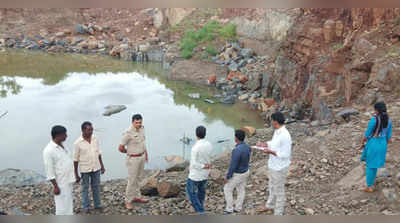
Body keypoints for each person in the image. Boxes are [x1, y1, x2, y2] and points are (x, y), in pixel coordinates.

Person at [257, 112, 292, 215]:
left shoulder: (285, 135)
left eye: (271, 120)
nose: (270, 122)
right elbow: (274, 143)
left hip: (280, 168)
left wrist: (270, 151)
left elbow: (285, 154)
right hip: (273, 165)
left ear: (275, 121)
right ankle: (270, 205)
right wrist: (265, 144)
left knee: (279, 191)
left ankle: (278, 213)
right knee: (272, 186)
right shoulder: (277, 132)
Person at [73, 121, 106, 214]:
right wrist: (76, 174)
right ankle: (86, 207)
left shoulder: (95, 139)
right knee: (85, 188)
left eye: (91, 129)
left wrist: (102, 166)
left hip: (96, 167)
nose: (91, 131)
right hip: (85, 169)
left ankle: (98, 205)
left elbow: (98, 153)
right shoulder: (77, 143)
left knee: (96, 187)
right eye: (89, 130)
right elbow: (75, 160)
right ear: (83, 130)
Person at [119, 114, 149, 210]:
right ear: (132, 122)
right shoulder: (128, 133)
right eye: (136, 123)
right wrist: (129, 153)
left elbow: (143, 142)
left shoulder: (142, 129)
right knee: (132, 180)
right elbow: (120, 148)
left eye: (140, 122)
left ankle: (137, 196)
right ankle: (128, 200)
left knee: (139, 178)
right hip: (133, 159)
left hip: (142, 156)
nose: (139, 124)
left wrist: (146, 154)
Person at [43, 125, 75, 215]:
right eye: (64, 134)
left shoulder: (63, 147)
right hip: (60, 183)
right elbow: (49, 170)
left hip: (68, 180)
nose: (66, 136)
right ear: (58, 135)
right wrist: (55, 186)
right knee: (61, 208)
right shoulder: (49, 150)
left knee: (68, 205)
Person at [360, 102, 392, 192]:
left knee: (370, 165)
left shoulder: (374, 120)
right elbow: (389, 137)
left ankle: (369, 186)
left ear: (377, 110)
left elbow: (367, 134)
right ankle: (371, 183)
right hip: (383, 144)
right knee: (374, 165)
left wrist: (362, 143)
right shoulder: (389, 120)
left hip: (373, 143)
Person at [223, 129, 251, 214]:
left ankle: (229, 209)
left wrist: (228, 176)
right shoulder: (247, 147)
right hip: (246, 171)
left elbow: (233, 166)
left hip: (238, 174)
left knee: (227, 189)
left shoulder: (236, 150)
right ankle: (238, 208)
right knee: (241, 189)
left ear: (236, 138)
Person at [186, 126, 213, 215]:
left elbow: (194, 164)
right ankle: (200, 206)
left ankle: (200, 211)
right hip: (205, 174)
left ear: (196, 134)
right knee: (201, 192)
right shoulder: (209, 144)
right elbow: (210, 157)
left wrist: (203, 166)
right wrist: (207, 166)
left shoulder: (195, 148)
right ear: (205, 134)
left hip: (195, 175)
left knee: (191, 193)